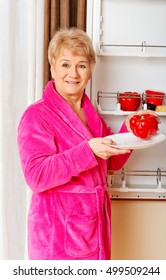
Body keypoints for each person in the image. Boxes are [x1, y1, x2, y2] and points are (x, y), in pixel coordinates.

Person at [17, 27, 158, 260]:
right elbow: (36, 176)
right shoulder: (37, 116)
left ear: (90, 71)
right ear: (52, 68)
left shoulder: (90, 114)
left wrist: (129, 131)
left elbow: (110, 162)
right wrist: (87, 151)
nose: (73, 73)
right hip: (57, 233)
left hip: (93, 227)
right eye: (65, 64)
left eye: (81, 65)